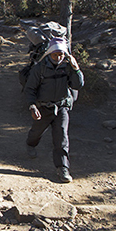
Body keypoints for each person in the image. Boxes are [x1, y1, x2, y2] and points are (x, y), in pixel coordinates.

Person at [23, 37, 85, 183]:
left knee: (62, 137)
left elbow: (78, 85)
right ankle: (30, 144)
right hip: (43, 107)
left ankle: (62, 168)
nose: (58, 57)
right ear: (50, 53)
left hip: (61, 107)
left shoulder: (68, 67)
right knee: (36, 131)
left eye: (61, 54)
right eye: (55, 54)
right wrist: (32, 106)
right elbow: (30, 89)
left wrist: (76, 69)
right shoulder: (40, 68)